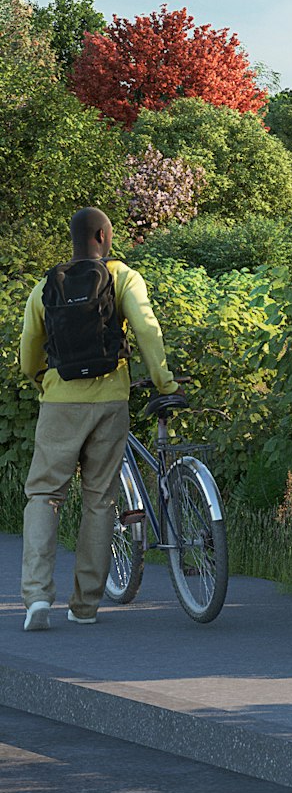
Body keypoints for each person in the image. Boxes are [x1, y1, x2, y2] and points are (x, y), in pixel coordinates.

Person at [17, 206, 178, 629]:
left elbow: (28, 349)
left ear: (72, 240)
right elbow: (146, 328)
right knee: (99, 499)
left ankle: (36, 597)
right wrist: (164, 383)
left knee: (44, 495)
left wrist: (41, 380)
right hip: (110, 400)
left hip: (59, 401)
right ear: (105, 237)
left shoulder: (47, 285)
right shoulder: (123, 276)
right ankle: (85, 605)